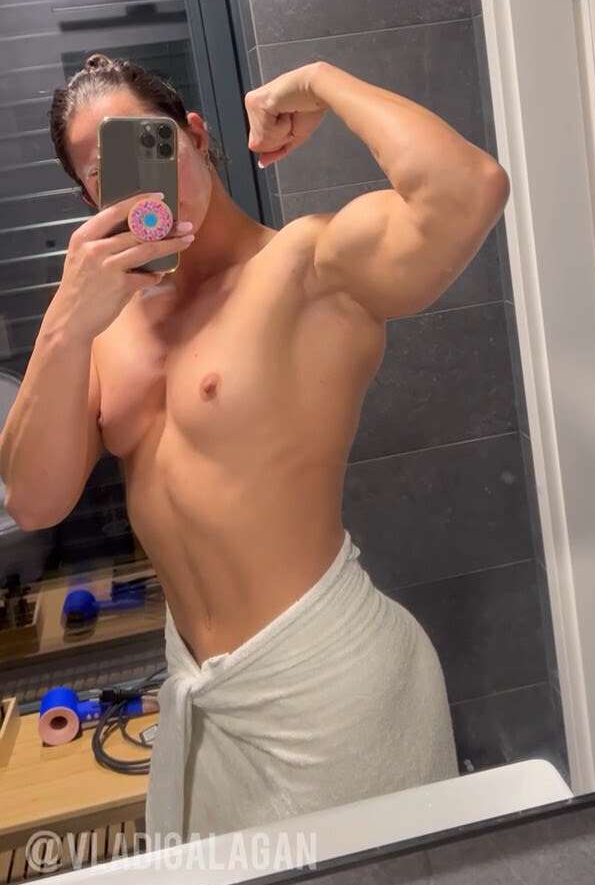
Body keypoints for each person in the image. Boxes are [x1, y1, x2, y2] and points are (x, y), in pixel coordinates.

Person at [0, 53, 510, 843]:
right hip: (204, 697)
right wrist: (67, 317)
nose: (135, 178)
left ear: (197, 136)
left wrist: (323, 83)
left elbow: (469, 188)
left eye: (148, 142)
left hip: (328, 684)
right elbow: (33, 499)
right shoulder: (104, 332)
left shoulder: (305, 266)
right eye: (102, 172)